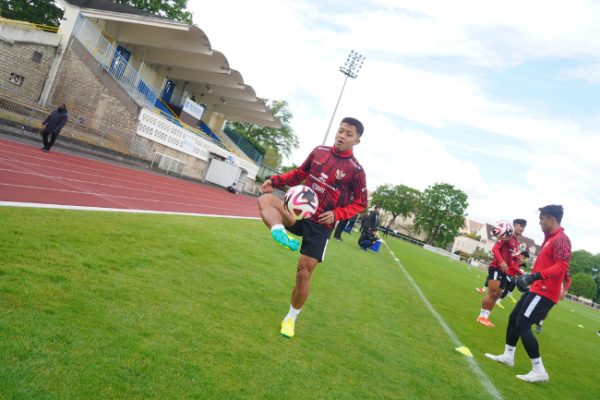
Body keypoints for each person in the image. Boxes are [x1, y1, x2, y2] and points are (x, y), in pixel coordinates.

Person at [257, 117, 368, 338]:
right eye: (340, 131)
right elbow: (299, 174)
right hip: (298, 214)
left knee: (303, 275)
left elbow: (361, 202)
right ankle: (279, 232)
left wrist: (337, 214)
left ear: (357, 141)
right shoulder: (319, 152)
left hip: (320, 227)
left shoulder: (356, 170)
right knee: (265, 200)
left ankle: (290, 319)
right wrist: (275, 181)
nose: (342, 136)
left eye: (348, 134)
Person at [485, 205, 571, 384]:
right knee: (514, 318)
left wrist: (534, 277)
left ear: (552, 219)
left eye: (542, 219)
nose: (540, 222)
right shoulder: (550, 239)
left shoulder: (561, 239)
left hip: (545, 292)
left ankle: (539, 370)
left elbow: (562, 267)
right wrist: (527, 278)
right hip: (537, 288)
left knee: (523, 324)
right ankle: (508, 357)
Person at [477, 219, 526, 327]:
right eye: (520, 226)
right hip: (496, 267)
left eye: (523, 227)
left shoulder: (517, 242)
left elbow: (510, 254)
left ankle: (486, 317)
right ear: (513, 226)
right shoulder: (506, 235)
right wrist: (502, 261)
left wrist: (516, 258)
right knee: (492, 292)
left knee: (498, 294)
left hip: (505, 270)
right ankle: (480, 316)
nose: (522, 228)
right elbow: (495, 249)